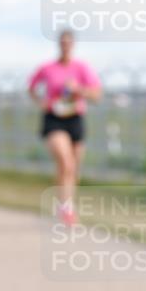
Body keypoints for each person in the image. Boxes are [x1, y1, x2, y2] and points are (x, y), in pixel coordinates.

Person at [28, 29, 102, 225]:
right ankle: (66, 207)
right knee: (66, 161)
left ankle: (66, 203)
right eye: (63, 42)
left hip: (75, 117)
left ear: (73, 44)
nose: (66, 46)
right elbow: (31, 87)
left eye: (69, 42)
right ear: (59, 44)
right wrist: (41, 101)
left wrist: (79, 90)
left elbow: (97, 95)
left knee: (73, 168)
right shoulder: (48, 68)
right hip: (54, 118)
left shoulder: (82, 68)